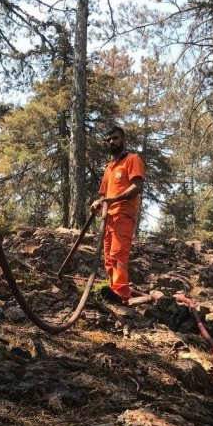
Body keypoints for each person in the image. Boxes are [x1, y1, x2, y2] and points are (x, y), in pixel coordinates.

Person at [90, 126, 145, 305]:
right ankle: (114, 292)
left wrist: (114, 199)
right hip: (108, 218)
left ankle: (121, 294)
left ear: (123, 140)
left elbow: (137, 186)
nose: (111, 141)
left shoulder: (132, 159)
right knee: (108, 258)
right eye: (109, 140)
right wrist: (98, 203)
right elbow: (103, 194)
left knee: (118, 255)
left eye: (115, 138)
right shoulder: (109, 168)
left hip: (123, 215)